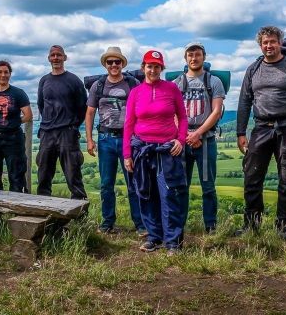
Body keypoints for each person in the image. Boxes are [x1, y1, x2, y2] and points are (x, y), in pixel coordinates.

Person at [236, 26, 286, 239]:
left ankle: (283, 230)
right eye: (265, 42)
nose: (269, 46)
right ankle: (251, 225)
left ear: (280, 43)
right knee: (252, 178)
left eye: (272, 41)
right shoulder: (253, 69)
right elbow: (244, 102)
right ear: (260, 45)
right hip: (261, 127)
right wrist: (240, 132)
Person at [123, 49, 188, 254]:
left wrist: (181, 140)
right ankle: (154, 237)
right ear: (143, 68)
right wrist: (127, 154)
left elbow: (183, 117)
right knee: (146, 194)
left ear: (161, 69)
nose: (153, 70)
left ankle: (173, 242)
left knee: (169, 195)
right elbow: (129, 124)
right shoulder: (135, 92)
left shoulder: (171, 89)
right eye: (149, 66)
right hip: (142, 150)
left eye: (157, 66)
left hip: (167, 150)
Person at [85, 46, 146, 235]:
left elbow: (142, 109)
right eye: (110, 62)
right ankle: (107, 222)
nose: (113, 65)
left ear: (122, 64)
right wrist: (89, 139)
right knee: (106, 184)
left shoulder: (133, 83)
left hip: (129, 139)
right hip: (106, 139)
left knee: (133, 183)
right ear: (105, 64)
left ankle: (140, 223)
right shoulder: (98, 86)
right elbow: (89, 112)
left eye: (117, 62)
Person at [173, 42, 225, 233]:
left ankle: (210, 227)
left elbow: (217, 111)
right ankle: (179, 226)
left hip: (205, 140)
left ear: (204, 57)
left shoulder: (214, 81)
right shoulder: (176, 83)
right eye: (190, 55)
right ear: (185, 58)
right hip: (183, 141)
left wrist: (197, 133)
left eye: (197, 54)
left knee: (208, 186)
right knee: (181, 186)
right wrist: (185, 134)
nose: (194, 58)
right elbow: (172, 112)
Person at [36, 45, 88, 200]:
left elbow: (83, 106)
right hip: (47, 133)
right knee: (44, 173)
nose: (56, 58)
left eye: (59, 55)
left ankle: (80, 213)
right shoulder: (44, 80)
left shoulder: (73, 80)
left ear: (65, 58)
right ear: (49, 59)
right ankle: (42, 206)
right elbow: (41, 104)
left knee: (73, 173)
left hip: (67, 132)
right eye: (53, 55)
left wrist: (73, 126)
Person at [0, 60, 33, 192]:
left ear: (10, 74)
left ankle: (17, 207)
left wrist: (12, 123)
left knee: (16, 175)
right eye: (0, 72)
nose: (3, 75)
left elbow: (28, 115)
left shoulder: (18, 93)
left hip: (13, 138)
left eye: (6, 72)